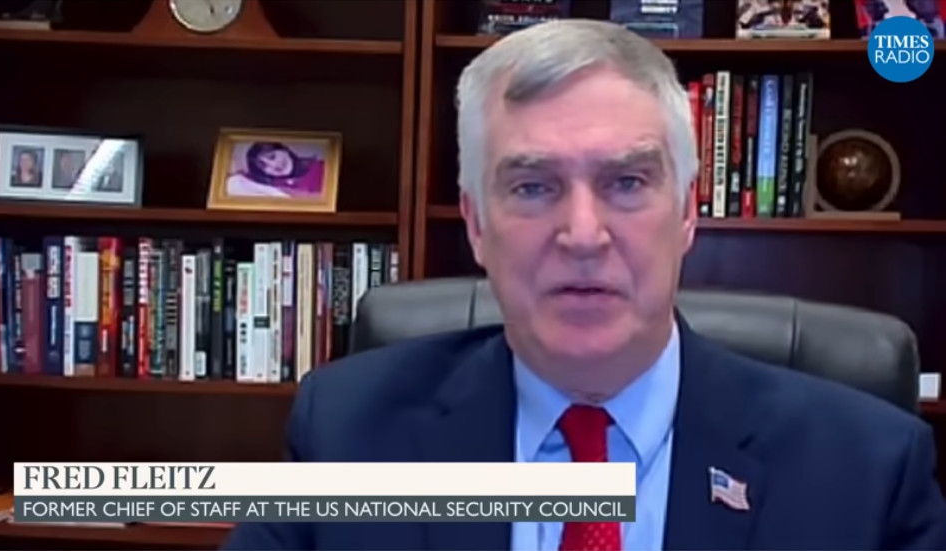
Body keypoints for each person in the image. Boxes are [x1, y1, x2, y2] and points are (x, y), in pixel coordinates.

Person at [223, 18, 946, 551]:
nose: (582, 233)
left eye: (626, 182)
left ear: (686, 212)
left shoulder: (868, 471)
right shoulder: (348, 430)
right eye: (532, 186)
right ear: (476, 224)